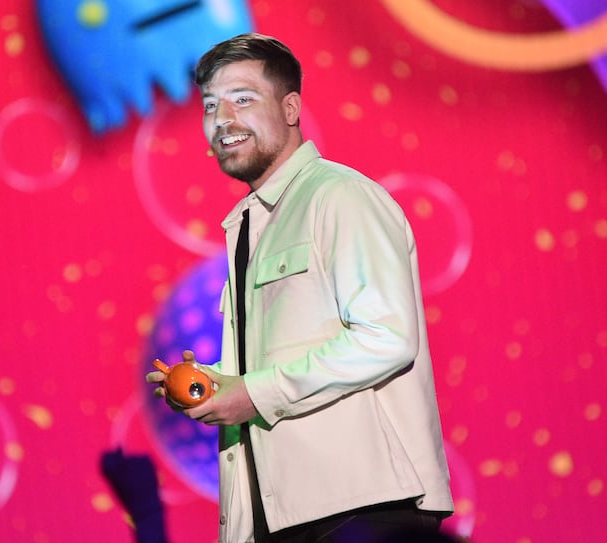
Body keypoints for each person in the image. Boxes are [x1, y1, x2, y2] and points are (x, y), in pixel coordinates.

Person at [147, 33, 454, 542]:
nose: (223, 119)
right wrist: (219, 384)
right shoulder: (248, 225)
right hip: (284, 517)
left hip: (364, 510)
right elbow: (285, 357)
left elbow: (386, 337)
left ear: (290, 108)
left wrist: (254, 392)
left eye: (243, 99)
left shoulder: (339, 197)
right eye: (210, 105)